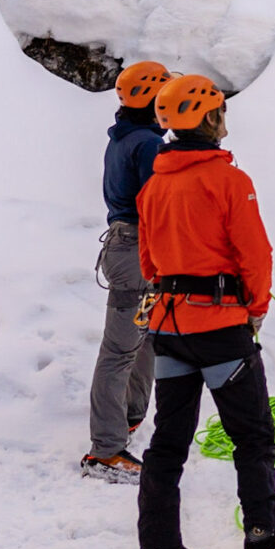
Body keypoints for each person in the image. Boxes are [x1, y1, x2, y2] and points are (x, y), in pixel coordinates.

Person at [135, 74, 275, 549]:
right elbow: (255, 255)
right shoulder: (227, 181)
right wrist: (255, 310)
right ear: (208, 118)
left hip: (169, 327)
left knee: (166, 445)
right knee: (253, 438)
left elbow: (149, 261)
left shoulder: (152, 186)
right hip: (221, 329)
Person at [82, 60, 171, 483]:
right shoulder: (149, 145)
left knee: (145, 339)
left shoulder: (126, 138)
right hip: (138, 249)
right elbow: (157, 204)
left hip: (127, 245)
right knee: (120, 351)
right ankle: (106, 450)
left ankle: (129, 418)